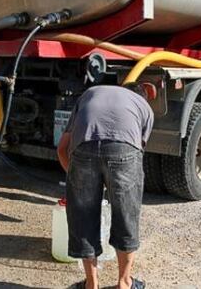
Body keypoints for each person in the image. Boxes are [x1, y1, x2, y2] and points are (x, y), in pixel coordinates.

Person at [57, 83, 155, 289]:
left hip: (83, 146)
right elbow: (136, 149)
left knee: (82, 216)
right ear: (142, 96)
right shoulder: (143, 107)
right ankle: (125, 283)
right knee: (126, 213)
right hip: (124, 150)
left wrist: (79, 183)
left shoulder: (91, 93)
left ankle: (91, 284)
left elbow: (62, 149)